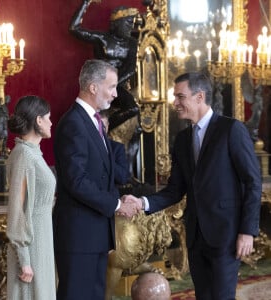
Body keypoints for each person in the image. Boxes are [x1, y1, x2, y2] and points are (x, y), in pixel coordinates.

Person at [124, 72, 262, 300]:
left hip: (226, 235)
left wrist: (247, 231)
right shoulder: (182, 139)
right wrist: (142, 202)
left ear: (199, 97)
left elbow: (252, 182)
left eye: (180, 96)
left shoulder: (231, 130)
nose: (175, 103)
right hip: (196, 237)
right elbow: (175, 190)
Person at [53, 59, 140, 300]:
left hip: (95, 232)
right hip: (79, 235)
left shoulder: (92, 122)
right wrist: (115, 205)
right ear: (93, 87)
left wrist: (118, 198)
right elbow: (76, 181)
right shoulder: (73, 123)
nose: (115, 94)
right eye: (111, 87)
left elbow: (99, 174)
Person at [70, 0, 142, 180]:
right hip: (98, 87)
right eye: (127, 23)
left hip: (118, 85)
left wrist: (113, 85)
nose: (129, 27)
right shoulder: (102, 38)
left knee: (133, 108)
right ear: (117, 23)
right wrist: (86, 3)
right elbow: (74, 28)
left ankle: (104, 128)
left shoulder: (131, 43)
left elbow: (131, 68)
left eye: (131, 24)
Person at [6, 95, 56, 300]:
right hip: (31, 244)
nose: (51, 122)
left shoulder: (33, 153)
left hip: (42, 238)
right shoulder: (24, 156)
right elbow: (17, 208)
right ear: (38, 120)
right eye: (48, 117)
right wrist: (24, 259)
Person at [99, 110, 130, 185]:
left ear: (108, 126)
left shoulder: (117, 148)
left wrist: (105, 157)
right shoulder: (84, 144)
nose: (100, 130)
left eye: (103, 126)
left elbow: (123, 178)